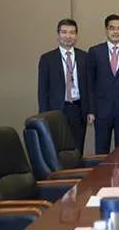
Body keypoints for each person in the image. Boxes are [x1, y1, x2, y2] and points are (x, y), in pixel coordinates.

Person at [87, 14, 119, 154]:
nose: (116, 32)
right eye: (112, 28)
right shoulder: (95, 52)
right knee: (101, 151)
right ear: (106, 30)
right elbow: (90, 83)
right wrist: (91, 110)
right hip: (102, 110)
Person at [38, 18, 89, 154]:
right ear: (58, 34)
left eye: (72, 32)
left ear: (76, 35)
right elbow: (42, 90)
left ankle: (77, 169)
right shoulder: (47, 59)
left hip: (78, 109)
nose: (68, 36)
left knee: (78, 149)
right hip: (56, 111)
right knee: (58, 150)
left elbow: (89, 86)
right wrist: (43, 115)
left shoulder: (84, 57)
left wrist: (90, 110)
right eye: (64, 32)